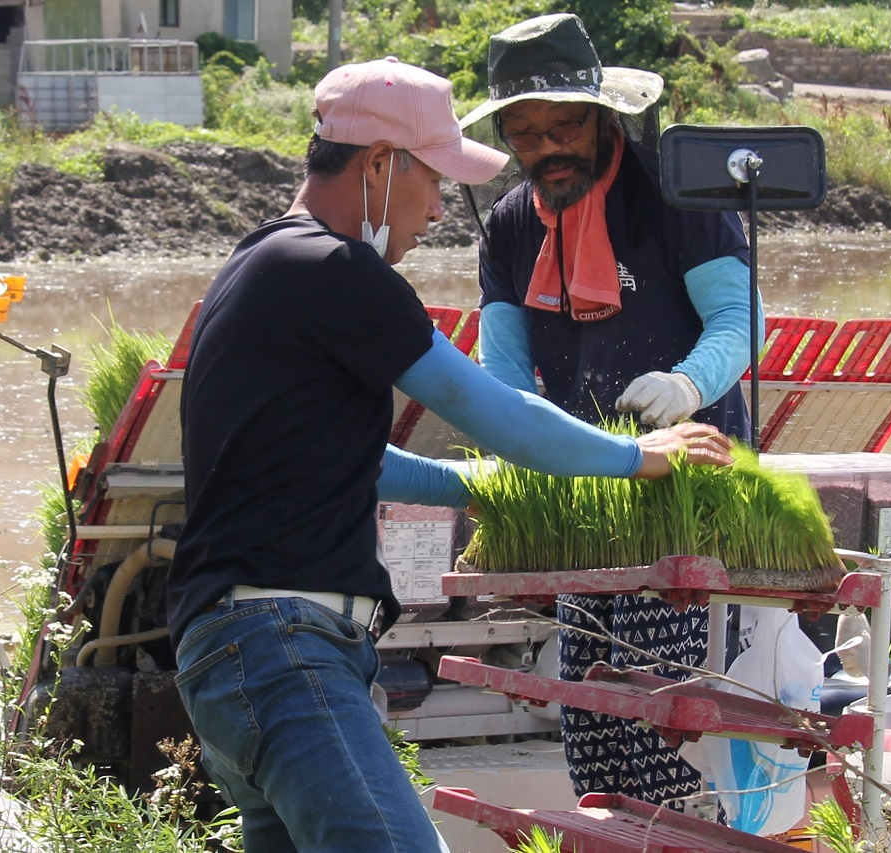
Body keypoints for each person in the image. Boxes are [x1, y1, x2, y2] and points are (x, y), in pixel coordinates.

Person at [166, 56, 736, 853]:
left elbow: (367, 466)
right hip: (283, 644)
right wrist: (638, 456)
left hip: (230, 651)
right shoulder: (336, 270)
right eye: (433, 180)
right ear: (378, 165)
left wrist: (487, 488)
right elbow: (486, 404)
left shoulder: (258, 265)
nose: (437, 209)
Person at [462, 13, 764, 811]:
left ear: (602, 113)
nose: (548, 146)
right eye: (526, 133)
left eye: (564, 124)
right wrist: (512, 447)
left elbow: (741, 320)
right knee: (594, 727)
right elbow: (501, 366)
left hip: (685, 499)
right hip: (584, 502)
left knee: (667, 732)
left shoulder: (672, 194)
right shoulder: (511, 224)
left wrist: (687, 386)